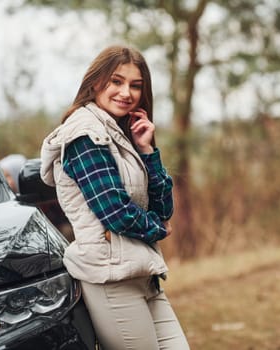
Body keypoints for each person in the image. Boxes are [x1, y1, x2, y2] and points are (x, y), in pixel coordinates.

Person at [39, 45, 190, 350]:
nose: (127, 93)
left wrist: (147, 151)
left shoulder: (121, 136)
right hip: (111, 279)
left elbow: (162, 209)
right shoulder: (84, 134)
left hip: (142, 272)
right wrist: (158, 230)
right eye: (116, 82)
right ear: (95, 83)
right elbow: (115, 211)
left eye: (136, 85)